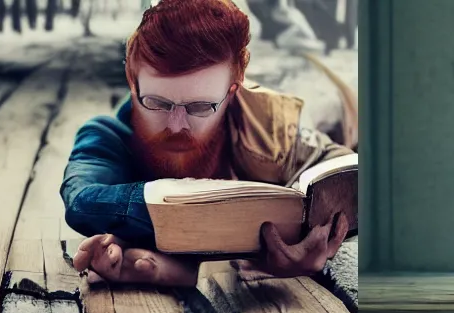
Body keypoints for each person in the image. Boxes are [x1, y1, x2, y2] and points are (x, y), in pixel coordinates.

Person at [61, 0, 351, 289]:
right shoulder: (106, 136)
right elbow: (83, 200)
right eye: (157, 103)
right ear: (132, 81)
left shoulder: (275, 132)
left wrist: (312, 240)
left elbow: (344, 170)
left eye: (200, 107)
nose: (176, 125)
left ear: (232, 91)